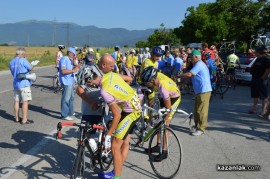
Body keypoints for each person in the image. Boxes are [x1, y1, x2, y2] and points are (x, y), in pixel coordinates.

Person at [79, 68, 141, 179]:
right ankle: (115, 173)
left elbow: (117, 116)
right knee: (123, 142)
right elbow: (128, 81)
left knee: (115, 146)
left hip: (131, 113)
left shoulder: (104, 91)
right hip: (134, 106)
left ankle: (116, 177)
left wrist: (108, 136)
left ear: (89, 80)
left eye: (86, 83)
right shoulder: (110, 75)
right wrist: (119, 98)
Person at [140, 66, 181, 160]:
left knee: (165, 125)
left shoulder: (163, 88)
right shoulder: (156, 76)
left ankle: (164, 151)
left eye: (147, 83)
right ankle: (158, 146)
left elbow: (169, 108)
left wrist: (167, 116)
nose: (146, 84)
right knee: (159, 120)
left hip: (173, 98)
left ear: (153, 79)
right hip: (166, 95)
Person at [179, 50, 212, 136]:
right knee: (197, 110)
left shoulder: (199, 64)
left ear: (196, 57)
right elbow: (191, 77)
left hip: (204, 90)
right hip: (199, 91)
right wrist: (181, 83)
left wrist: (180, 75)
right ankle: (197, 126)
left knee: (202, 111)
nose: (190, 59)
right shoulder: (196, 65)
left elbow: (190, 74)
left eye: (191, 57)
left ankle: (201, 129)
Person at [9, 47, 33, 124]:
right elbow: (31, 68)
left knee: (16, 101)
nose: (24, 55)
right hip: (24, 84)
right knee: (25, 101)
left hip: (16, 84)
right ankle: (24, 119)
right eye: (24, 54)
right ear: (22, 54)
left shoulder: (11, 62)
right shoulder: (23, 60)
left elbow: (13, 73)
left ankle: (16, 118)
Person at [59, 47, 80, 121]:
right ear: (70, 53)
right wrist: (73, 70)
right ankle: (64, 115)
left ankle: (71, 111)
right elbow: (63, 71)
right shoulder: (64, 59)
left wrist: (75, 64)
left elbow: (77, 67)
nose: (74, 56)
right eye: (74, 54)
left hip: (70, 81)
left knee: (71, 97)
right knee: (66, 98)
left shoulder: (70, 60)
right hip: (66, 81)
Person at [249, 46, 270, 116]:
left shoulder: (266, 60)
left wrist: (263, 78)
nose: (255, 53)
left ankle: (263, 111)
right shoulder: (257, 59)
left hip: (261, 80)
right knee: (255, 95)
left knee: (264, 96)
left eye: (256, 52)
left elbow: (268, 70)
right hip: (254, 78)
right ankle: (254, 109)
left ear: (259, 52)